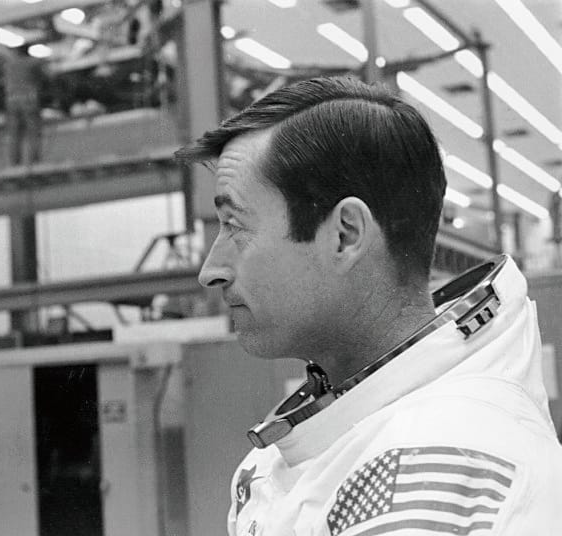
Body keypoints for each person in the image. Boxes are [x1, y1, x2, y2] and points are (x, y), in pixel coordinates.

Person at [175, 76, 562, 535]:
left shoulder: (435, 471)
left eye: (234, 225)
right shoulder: (314, 447)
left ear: (346, 235)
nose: (211, 271)